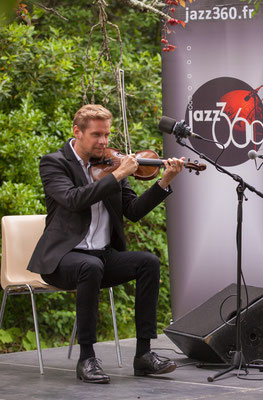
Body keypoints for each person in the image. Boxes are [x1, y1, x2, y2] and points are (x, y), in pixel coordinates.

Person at [27, 104, 185, 383]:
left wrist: (163, 183)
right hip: (62, 259)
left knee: (147, 262)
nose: (103, 142)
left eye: (107, 135)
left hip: (101, 256)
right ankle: (87, 358)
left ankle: (144, 355)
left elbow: (133, 211)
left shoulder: (111, 163)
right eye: (96, 135)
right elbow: (74, 199)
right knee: (89, 267)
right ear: (77, 132)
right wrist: (119, 174)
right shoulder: (53, 163)